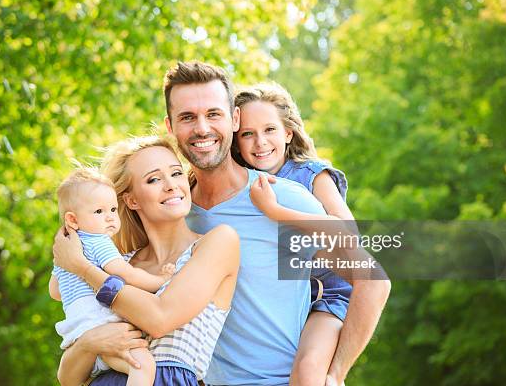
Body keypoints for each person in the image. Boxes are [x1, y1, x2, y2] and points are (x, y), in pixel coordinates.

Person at [161, 61, 390, 386]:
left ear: (233, 119)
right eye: (187, 117)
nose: (201, 128)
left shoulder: (283, 199)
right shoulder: (170, 210)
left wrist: (336, 372)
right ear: (170, 126)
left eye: (213, 114)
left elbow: (373, 279)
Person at [52, 138, 240, 385]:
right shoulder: (119, 262)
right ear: (132, 200)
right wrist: (89, 343)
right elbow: (68, 379)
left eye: (176, 173)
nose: (171, 185)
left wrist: (82, 268)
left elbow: (159, 319)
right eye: (154, 179)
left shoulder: (217, 243)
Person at [232, 82, 354, 386]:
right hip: (273, 303)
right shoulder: (237, 184)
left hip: (322, 296)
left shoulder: (310, 174)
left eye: (270, 130)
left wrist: (276, 212)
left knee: (308, 372)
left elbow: (348, 232)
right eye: (248, 133)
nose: (260, 142)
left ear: (288, 133)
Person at [50, 167, 177, 385]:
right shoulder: (98, 241)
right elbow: (125, 273)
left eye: (112, 209)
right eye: (99, 212)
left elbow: (55, 292)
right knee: (143, 366)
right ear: (72, 220)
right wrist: (161, 281)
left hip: (79, 333)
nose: (109, 217)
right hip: (101, 322)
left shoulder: (65, 252)